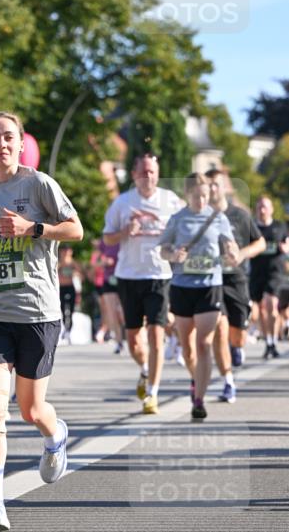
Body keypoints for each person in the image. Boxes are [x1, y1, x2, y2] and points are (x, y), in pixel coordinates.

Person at [0, 111, 83, 532]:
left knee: (31, 410)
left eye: (8, 137)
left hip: (36, 312)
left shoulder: (39, 184)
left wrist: (33, 228)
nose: (1, 144)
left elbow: (76, 230)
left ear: (20, 143)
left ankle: (55, 436)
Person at [102, 151, 182, 414]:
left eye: (152, 172)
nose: (148, 176)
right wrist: (125, 232)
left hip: (159, 275)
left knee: (156, 336)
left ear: (158, 175)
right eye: (143, 172)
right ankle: (145, 370)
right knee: (134, 341)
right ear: (134, 174)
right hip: (129, 276)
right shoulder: (122, 203)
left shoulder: (171, 201)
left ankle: (152, 393)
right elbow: (107, 238)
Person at [159, 173, 238, 420]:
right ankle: (197, 378)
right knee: (188, 350)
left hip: (210, 286)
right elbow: (163, 251)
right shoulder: (177, 219)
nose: (202, 201)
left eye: (205, 196)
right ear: (187, 195)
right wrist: (173, 255)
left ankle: (199, 400)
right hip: (182, 287)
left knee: (204, 344)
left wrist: (233, 254)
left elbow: (231, 246)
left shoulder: (218, 218)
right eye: (196, 196)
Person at [205, 168, 265, 398]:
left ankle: (237, 346)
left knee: (237, 333)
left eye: (216, 184)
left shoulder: (240, 215)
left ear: (225, 187)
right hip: (212, 280)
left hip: (237, 279)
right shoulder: (200, 215)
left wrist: (241, 254)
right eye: (209, 184)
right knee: (219, 329)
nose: (212, 189)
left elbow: (260, 243)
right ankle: (228, 382)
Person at [249, 196, 289, 359]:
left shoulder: (279, 226)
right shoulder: (252, 227)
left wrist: (286, 247)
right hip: (257, 272)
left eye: (265, 207)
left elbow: (288, 242)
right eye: (259, 207)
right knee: (261, 309)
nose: (262, 210)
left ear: (271, 209)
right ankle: (268, 342)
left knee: (271, 304)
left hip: (274, 272)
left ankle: (273, 340)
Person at [87, 238, 124, 351]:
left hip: (124, 278)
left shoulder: (126, 237)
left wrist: (117, 261)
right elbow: (95, 263)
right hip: (108, 280)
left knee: (122, 312)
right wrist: (103, 262)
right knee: (111, 312)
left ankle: (133, 335)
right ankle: (118, 341)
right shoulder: (106, 239)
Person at [57, 245, 83, 344]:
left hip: (71, 288)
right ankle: (64, 328)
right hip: (61, 288)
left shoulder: (74, 263)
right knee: (62, 309)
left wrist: (75, 274)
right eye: (63, 251)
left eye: (67, 250)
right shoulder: (58, 263)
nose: (65, 253)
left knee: (71, 310)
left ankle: (69, 330)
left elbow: (81, 276)